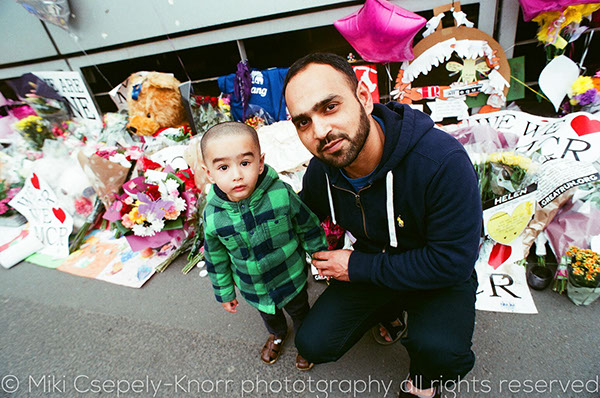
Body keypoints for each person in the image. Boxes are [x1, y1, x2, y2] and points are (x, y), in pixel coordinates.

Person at [283, 53, 482, 397]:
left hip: (439, 276)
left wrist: (357, 266)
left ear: (364, 96)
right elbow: (299, 214)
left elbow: (453, 262)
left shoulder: (440, 162)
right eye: (303, 122)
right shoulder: (323, 171)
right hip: (374, 263)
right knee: (313, 343)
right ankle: (391, 313)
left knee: (440, 351)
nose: (320, 131)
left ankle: (422, 382)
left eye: (329, 107)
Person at [200, 121, 327, 371]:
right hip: (253, 285)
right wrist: (225, 292)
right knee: (269, 314)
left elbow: (307, 225)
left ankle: (306, 342)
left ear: (260, 163)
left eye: (245, 163)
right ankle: (277, 334)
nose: (236, 174)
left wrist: (320, 255)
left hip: (290, 275)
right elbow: (215, 258)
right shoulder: (213, 216)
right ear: (209, 173)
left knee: (300, 310)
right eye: (224, 167)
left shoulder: (280, 193)